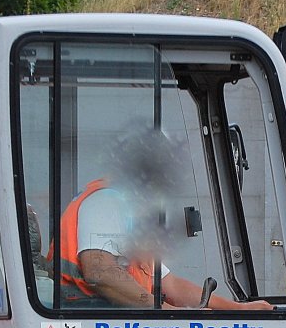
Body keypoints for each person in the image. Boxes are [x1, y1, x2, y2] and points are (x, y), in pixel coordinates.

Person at [58, 129, 273, 312]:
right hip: (89, 322)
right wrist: (166, 312)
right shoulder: (106, 201)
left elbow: (172, 286)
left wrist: (238, 309)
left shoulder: (127, 212)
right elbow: (101, 273)